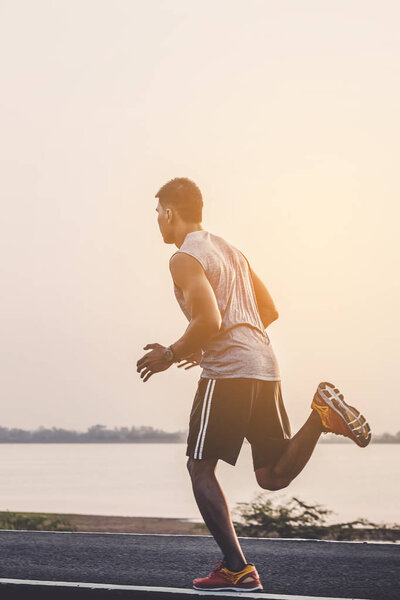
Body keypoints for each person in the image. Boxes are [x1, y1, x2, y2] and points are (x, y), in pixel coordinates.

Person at [136, 177, 371, 592]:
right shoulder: (230, 250)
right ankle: (320, 416)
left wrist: (172, 353)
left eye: (157, 212)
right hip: (264, 363)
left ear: (170, 212)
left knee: (199, 469)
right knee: (271, 475)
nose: (156, 220)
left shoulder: (184, 257)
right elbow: (268, 309)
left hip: (229, 371)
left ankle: (236, 567)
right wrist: (210, 342)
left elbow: (208, 321)